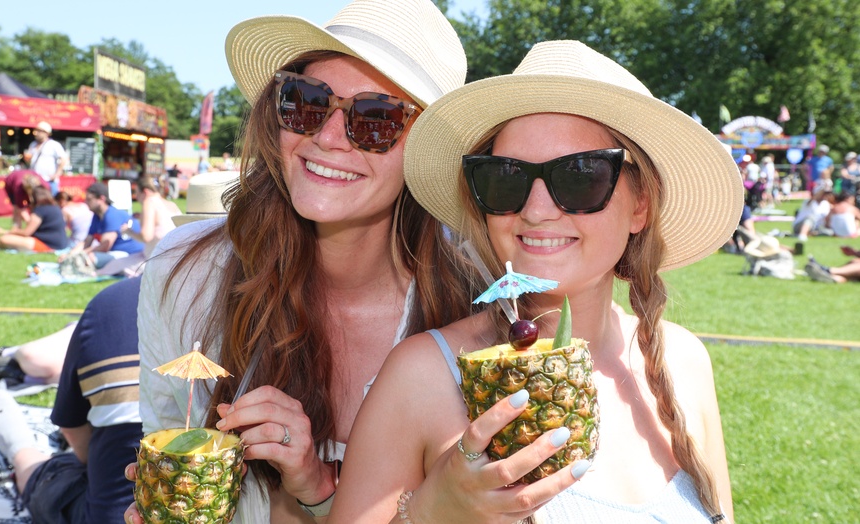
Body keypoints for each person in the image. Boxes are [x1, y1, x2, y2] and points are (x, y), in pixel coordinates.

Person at [331, 40, 739, 523]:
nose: (536, 210)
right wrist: (427, 514)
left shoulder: (683, 360)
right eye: (506, 178)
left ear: (640, 204)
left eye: (581, 175)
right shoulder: (423, 378)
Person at [124, 0, 469, 522]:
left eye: (376, 118)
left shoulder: (475, 304)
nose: (327, 137)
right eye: (306, 101)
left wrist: (315, 485)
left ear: (425, 151)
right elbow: (165, 437)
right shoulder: (184, 275)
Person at [0, 276, 142, 523]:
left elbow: (73, 432)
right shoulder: (224, 306)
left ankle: (12, 435)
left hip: (103, 510)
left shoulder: (111, 303)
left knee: (40, 468)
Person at [97, 177, 182, 276]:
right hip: (175, 258)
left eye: (136, 193)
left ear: (145, 192)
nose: (136, 197)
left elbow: (146, 236)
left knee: (111, 267)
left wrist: (128, 231)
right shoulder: (172, 204)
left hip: (156, 259)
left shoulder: (149, 202)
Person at [61, 182, 143, 269]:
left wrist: (80, 254)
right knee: (81, 259)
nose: (86, 202)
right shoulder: (97, 216)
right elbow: (87, 241)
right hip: (117, 254)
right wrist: (70, 254)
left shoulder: (112, 215)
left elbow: (105, 246)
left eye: (89, 199)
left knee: (90, 258)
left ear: (101, 199)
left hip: (131, 255)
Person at [0, 186, 69, 252]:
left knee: (4, 239)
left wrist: (8, 232)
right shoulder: (55, 207)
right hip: (60, 243)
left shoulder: (40, 209)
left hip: (47, 245)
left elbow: (26, 232)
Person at [25, 121, 67, 196]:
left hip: (49, 181)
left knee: (51, 202)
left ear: (46, 133)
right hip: (35, 181)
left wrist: (56, 174)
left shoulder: (53, 144)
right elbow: (29, 160)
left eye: (39, 131)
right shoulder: (33, 144)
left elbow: (64, 159)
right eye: (36, 130)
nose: (36, 133)